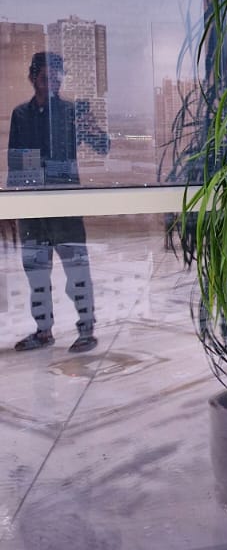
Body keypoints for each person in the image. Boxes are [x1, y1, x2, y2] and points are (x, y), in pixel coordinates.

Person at [6, 50, 110, 352]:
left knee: (76, 269)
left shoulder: (71, 112)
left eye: (56, 76)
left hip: (64, 205)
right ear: (32, 77)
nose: (51, 81)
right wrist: (13, 205)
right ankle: (43, 331)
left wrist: (89, 124)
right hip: (32, 206)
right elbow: (14, 160)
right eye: (44, 75)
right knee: (37, 272)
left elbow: (102, 146)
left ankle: (86, 329)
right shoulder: (20, 114)